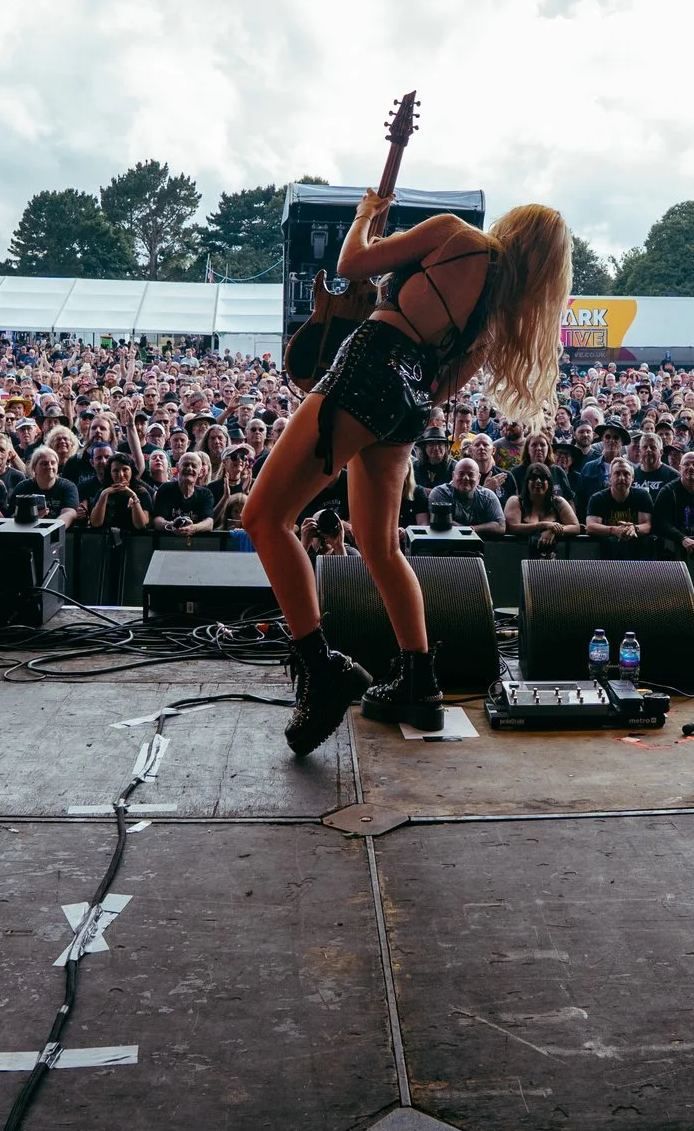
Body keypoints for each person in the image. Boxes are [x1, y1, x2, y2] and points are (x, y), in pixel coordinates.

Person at [243, 195, 569, 751]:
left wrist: (365, 215)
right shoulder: (492, 317)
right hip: (408, 402)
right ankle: (419, 683)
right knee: (378, 546)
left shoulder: (456, 234)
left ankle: (322, 670)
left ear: (513, 229)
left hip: (368, 367)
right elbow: (442, 388)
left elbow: (351, 265)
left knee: (263, 518)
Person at [584, 457, 657, 557]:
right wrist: (615, 530)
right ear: (610, 477)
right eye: (617, 473)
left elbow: (647, 525)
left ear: (632, 478)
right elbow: (591, 527)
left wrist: (634, 528)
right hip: (607, 553)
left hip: (637, 551)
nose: (621, 478)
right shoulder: (598, 498)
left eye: (626, 474)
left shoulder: (642, 496)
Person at [506, 463, 579, 555]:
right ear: (527, 481)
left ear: (549, 482)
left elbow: (575, 527)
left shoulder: (559, 502)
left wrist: (553, 530)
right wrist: (544, 525)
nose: (538, 481)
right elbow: (513, 526)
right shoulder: (515, 501)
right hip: (518, 556)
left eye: (543, 477)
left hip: (555, 559)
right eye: (533, 477)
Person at [430, 457, 506, 534]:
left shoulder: (488, 496)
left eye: (471, 475)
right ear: (453, 476)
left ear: (478, 478)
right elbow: (440, 520)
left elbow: (501, 526)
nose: (465, 478)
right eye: (461, 474)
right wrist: (468, 530)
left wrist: (472, 529)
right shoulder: (441, 493)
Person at [150, 451, 219, 535]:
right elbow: (157, 520)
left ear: (200, 472)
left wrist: (193, 528)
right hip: (167, 540)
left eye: (194, 466)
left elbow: (209, 523)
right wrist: (171, 525)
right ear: (178, 467)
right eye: (186, 465)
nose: (189, 468)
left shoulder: (205, 494)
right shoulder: (166, 489)